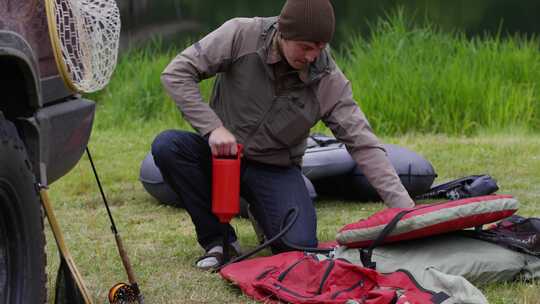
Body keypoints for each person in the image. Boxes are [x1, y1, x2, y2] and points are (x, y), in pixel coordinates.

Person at [152, 0, 415, 270]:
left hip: (274, 168)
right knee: (168, 146)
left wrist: (404, 210)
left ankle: (262, 214)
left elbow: (364, 144)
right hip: (222, 158)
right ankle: (218, 241)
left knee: (298, 245)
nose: (313, 56)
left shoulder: (328, 80)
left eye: (320, 47)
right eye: (306, 47)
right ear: (283, 32)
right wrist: (212, 128)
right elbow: (176, 74)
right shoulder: (241, 34)